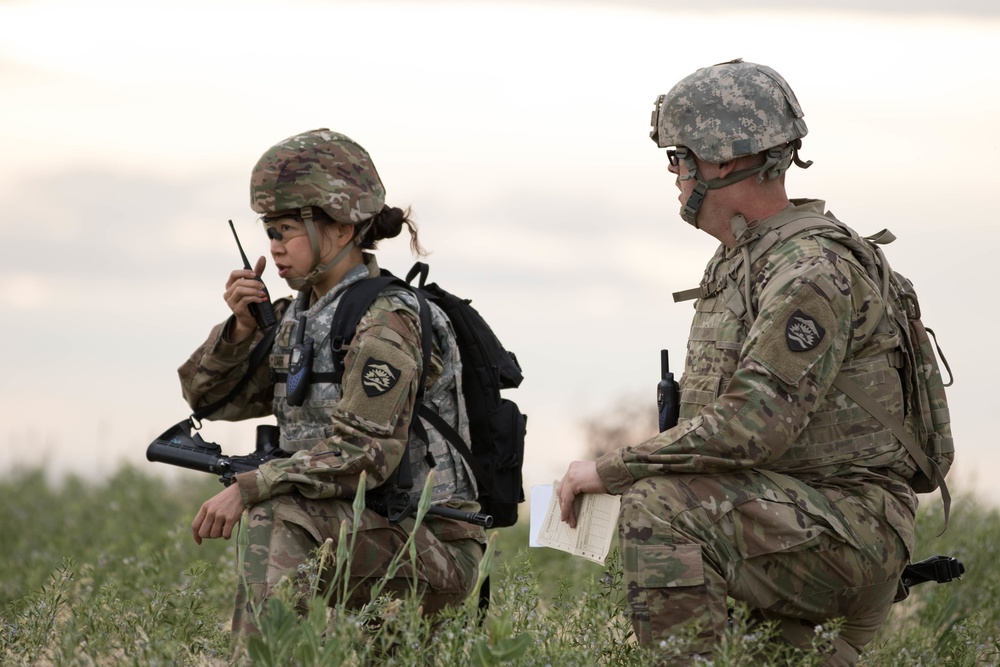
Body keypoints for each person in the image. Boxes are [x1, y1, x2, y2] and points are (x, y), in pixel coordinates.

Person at [557, 60, 918, 666]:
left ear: (721, 161)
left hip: (852, 526)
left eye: (679, 158)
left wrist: (613, 469)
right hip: (794, 512)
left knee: (662, 508)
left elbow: (751, 427)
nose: (673, 176)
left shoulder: (808, 272)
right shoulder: (744, 261)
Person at [179, 129, 485, 639]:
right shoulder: (297, 319)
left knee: (273, 518)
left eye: (286, 232)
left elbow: (365, 451)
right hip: (369, 530)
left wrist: (251, 486)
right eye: (269, 233)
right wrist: (240, 330)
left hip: (430, 541)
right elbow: (209, 399)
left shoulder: (388, 319)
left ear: (342, 229)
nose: (274, 249)